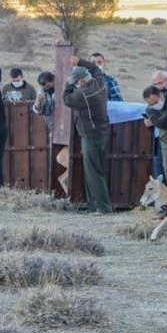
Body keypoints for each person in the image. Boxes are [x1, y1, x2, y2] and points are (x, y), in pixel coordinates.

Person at [63, 56, 111, 215]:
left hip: (90, 136)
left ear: (82, 81)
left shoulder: (83, 94)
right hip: (101, 132)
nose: (76, 84)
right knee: (95, 171)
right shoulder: (101, 84)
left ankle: (102, 208)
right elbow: (96, 69)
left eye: (77, 82)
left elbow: (67, 99)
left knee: (93, 173)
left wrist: (68, 84)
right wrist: (80, 61)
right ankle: (93, 206)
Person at [142, 84, 167, 182]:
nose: (154, 105)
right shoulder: (149, 110)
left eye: (155, 102)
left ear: (161, 95)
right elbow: (161, 124)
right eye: (151, 104)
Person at [148, 70, 167, 181]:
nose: (157, 86)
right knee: (159, 173)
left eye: (160, 83)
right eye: (155, 84)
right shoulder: (152, 95)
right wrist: (150, 122)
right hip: (158, 138)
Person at [32, 71, 56, 138]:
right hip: (51, 124)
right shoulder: (42, 91)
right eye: (44, 87)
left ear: (53, 80)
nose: (47, 89)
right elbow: (37, 109)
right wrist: (38, 103)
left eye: (48, 86)